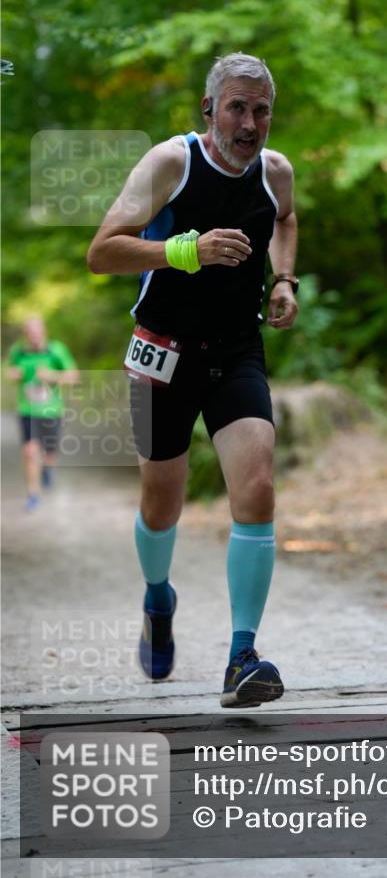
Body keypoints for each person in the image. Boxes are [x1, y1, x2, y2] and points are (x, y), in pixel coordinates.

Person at [87, 52, 298, 708]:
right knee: (162, 504)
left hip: (236, 351)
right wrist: (186, 250)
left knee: (256, 489)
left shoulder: (275, 172)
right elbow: (102, 251)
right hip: (162, 350)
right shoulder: (170, 163)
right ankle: (158, 599)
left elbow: (285, 219)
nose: (249, 123)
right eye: (236, 108)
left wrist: (284, 279)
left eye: (261, 110)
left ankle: (242, 657)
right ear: (209, 109)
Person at [7, 316, 78, 511]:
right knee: (30, 451)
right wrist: (13, 374)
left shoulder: (57, 350)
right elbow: (10, 370)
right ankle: (33, 494)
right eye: (30, 333)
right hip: (27, 410)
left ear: (44, 332)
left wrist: (51, 376)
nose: (35, 337)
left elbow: (74, 376)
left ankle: (47, 467)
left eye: (37, 332)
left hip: (52, 410)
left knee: (50, 451)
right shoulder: (18, 352)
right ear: (25, 335)